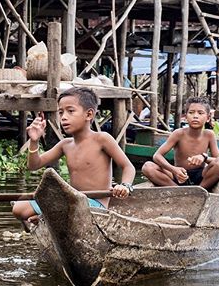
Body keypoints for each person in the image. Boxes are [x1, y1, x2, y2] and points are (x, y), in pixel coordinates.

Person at [12, 87, 136, 228]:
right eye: (60, 112)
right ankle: (47, 216)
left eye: (70, 111)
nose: (63, 117)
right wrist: (34, 141)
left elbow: (128, 167)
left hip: (95, 206)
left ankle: (45, 217)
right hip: (71, 201)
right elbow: (34, 165)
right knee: (19, 208)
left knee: (64, 206)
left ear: (89, 114)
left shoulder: (102, 139)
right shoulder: (65, 144)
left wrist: (125, 186)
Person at [141, 96, 219, 191]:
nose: (195, 116)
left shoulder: (209, 135)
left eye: (200, 113)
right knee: (148, 167)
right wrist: (173, 169)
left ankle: (199, 191)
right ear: (186, 117)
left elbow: (218, 161)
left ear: (208, 118)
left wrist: (204, 157)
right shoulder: (178, 133)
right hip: (178, 175)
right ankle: (178, 191)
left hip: (201, 175)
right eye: (191, 113)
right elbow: (157, 156)